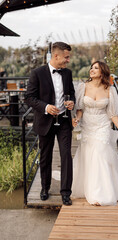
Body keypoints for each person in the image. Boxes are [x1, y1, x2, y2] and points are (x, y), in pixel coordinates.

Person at [72, 61, 118, 206]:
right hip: (88, 126)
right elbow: (80, 109)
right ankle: (89, 188)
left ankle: (100, 193)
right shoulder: (83, 87)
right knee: (88, 157)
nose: (92, 69)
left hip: (103, 126)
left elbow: (113, 115)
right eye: (91, 67)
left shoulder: (110, 90)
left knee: (101, 155)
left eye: (96, 68)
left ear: (102, 72)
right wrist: (77, 120)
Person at [26, 42, 75, 205]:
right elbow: (29, 98)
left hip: (64, 121)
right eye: (66, 57)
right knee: (45, 157)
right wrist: (46, 107)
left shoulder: (68, 74)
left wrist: (71, 103)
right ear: (56, 56)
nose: (68, 60)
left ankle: (66, 193)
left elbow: (72, 94)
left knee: (66, 155)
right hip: (44, 121)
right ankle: (44, 188)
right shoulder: (37, 73)